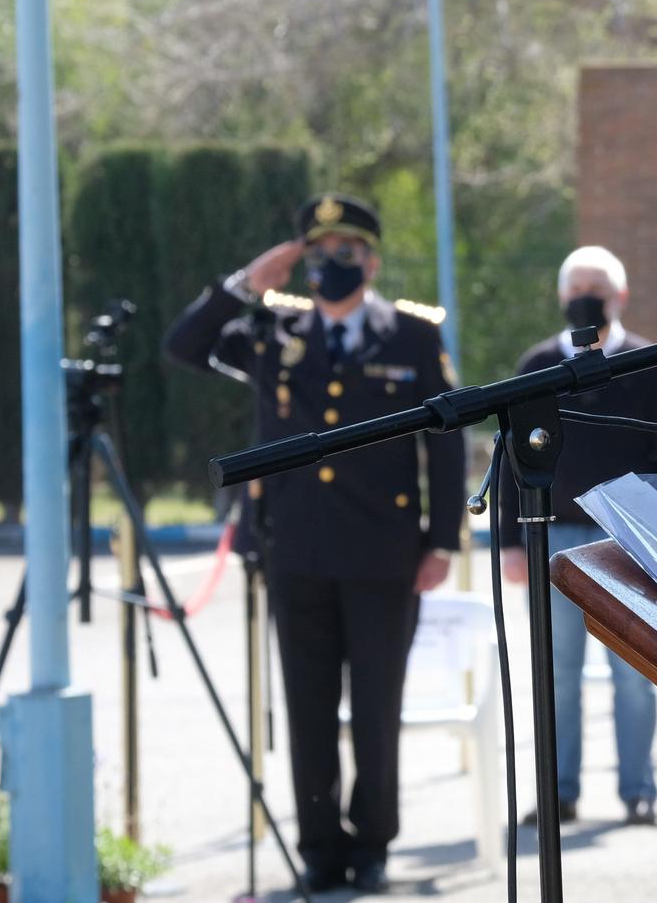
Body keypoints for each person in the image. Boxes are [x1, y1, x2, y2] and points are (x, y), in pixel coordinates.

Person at [163, 193, 465, 894]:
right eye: (321, 251)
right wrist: (245, 285)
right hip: (294, 550)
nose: (335, 263)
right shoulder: (273, 331)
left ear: (372, 260)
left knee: (376, 706)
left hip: (385, 553)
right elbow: (183, 346)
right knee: (306, 707)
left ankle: (374, 843)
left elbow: (444, 446)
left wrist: (441, 540)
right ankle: (320, 848)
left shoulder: (412, 335)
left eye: (349, 251)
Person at [499, 245, 657, 828]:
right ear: (561, 297)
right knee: (558, 671)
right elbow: (509, 460)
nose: (587, 298)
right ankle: (559, 790)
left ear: (620, 296)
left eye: (598, 288)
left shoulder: (649, 363)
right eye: (578, 287)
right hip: (551, 536)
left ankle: (639, 789)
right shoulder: (535, 366)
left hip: (631, 539)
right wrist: (509, 539)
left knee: (635, 672)